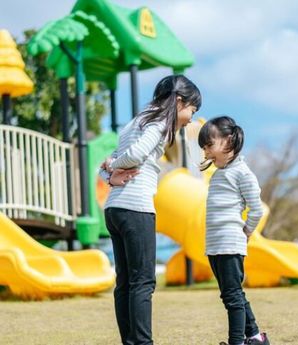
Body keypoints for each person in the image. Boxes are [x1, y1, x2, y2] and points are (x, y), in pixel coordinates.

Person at [99, 75, 201, 345]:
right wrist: (116, 167)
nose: (191, 117)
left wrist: (110, 174)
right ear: (179, 101)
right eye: (192, 109)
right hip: (136, 208)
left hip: (114, 208)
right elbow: (134, 155)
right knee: (143, 282)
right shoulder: (158, 124)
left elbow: (107, 161)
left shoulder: (136, 121)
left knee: (125, 283)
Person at [198, 116, 270, 345]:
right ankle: (256, 337)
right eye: (204, 147)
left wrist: (246, 232)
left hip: (230, 244)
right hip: (216, 245)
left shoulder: (242, 172)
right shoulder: (219, 174)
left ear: (228, 140)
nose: (206, 151)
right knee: (232, 294)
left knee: (232, 297)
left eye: (209, 145)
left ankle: (237, 341)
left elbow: (256, 209)